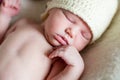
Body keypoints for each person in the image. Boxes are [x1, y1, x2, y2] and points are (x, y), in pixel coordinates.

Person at [0, 0, 118, 80]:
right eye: (70, 19)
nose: (71, 32)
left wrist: (75, 68)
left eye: (84, 35)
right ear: (50, 9)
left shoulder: (58, 57)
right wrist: (4, 15)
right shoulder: (24, 23)